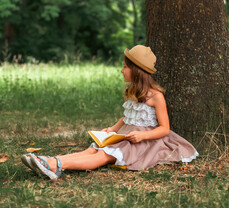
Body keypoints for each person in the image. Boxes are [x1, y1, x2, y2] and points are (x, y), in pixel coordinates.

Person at [21, 45, 198, 180]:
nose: (122, 70)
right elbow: (128, 116)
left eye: (125, 67)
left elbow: (164, 129)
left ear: (136, 71)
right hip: (125, 135)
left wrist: (142, 137)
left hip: (143, 141)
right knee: (93, 150)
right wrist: (113, 128)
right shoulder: (131, 92)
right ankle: (50, 161)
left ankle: (55, 165)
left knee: (104, 155)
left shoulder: (156, 96)